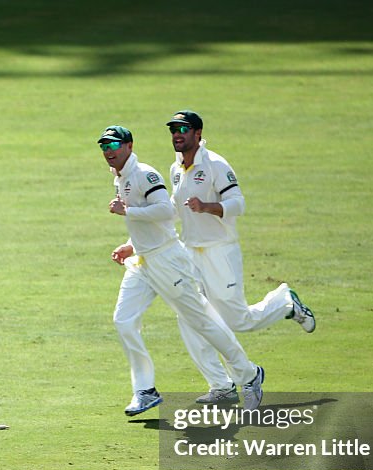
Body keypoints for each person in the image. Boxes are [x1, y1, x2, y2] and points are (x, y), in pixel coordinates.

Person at [98, 125, 265, 412]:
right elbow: (149, 223)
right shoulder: (121, 177)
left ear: (129, 146)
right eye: (104, 147)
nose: (108, 152)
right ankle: (145, 390)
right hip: (143, 263)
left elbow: (166, 211)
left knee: (202, 321)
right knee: (123, 321)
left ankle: (249, 374)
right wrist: (131, 245)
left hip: (168, 261)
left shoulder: (144, 174)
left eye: (113, 146)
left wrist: (129, 212)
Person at [166, 110, 316, 350]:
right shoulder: (176, 169)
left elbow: (238, 204)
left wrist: (206, 206)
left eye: (183, 129)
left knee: (237, 320)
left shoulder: (215, 164)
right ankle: (220, 385)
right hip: (192, 251)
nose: (177, 135)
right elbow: (175, 209)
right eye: (174, 130)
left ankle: (285, 303)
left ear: (198, 132)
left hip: (220, 250)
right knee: (191, 316)